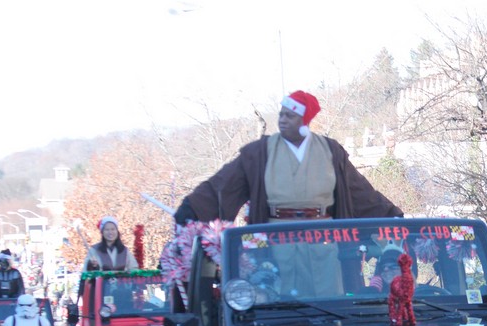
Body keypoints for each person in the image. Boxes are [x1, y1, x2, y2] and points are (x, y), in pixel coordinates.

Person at [172, 90, 403, 227]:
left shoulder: (331, 152)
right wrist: (193, 207)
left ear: (304, 121)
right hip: (273, 244)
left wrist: (392, 217)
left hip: (325, 243)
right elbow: (223, 186)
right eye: (281, 114)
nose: (282, 120)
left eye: (289, 116)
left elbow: (359, 192)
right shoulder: (259, 153)